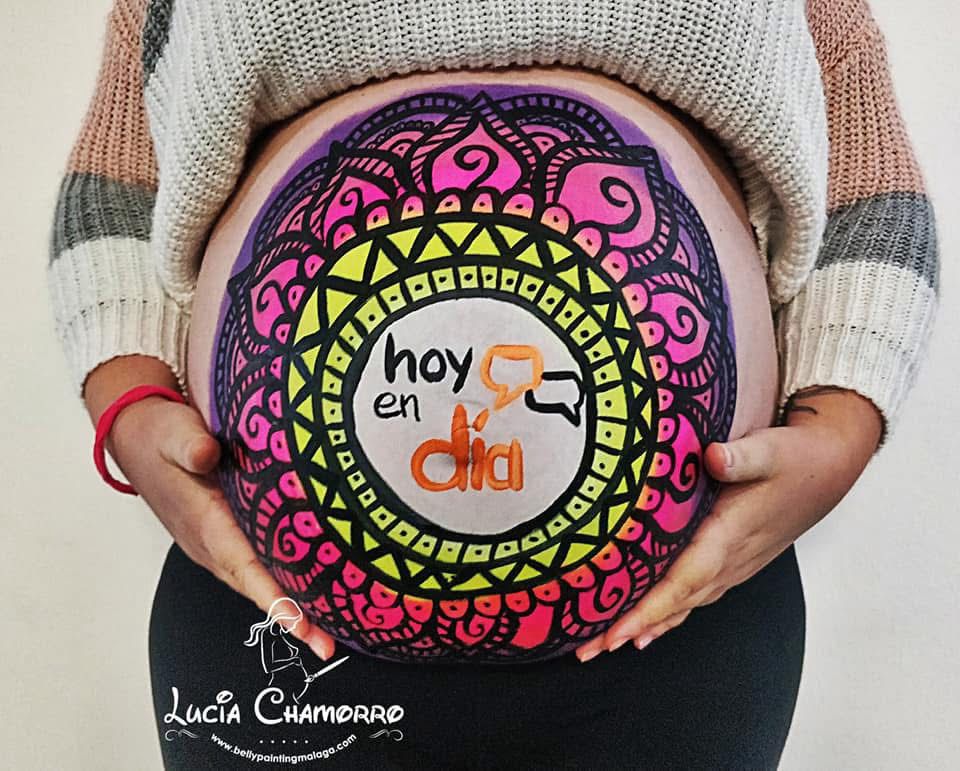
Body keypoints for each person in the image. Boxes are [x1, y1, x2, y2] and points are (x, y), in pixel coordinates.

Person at [47, 1, 938, 768]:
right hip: (276, 621)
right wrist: (131, 405)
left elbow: (869, 188)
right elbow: (116, 187)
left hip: (676, 636)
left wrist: (840, 426)